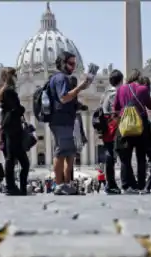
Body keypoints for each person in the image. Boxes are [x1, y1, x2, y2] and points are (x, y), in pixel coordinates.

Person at [49, 52, 92, 195]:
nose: (73, 67)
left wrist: (79, 106)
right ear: (62, 63)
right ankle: (59, 185)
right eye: (71, 64)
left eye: (75, 64)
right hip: (60, 121)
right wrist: (81, 87)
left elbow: (68, 100)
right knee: (61, 152)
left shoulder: (64, 78)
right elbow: (64, 98)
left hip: (66, 120)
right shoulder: (60, 78)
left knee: (69, 153)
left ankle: (68, 184)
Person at [113, 69, 151, 193]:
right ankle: (141, 185)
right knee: (141, 156)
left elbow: (115, 107)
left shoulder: (121, 89)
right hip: (140, 126)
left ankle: (126, 185)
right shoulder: (143, 89)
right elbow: (150, 106)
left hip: (125, 126)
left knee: (126, 157)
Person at [0, 67, 30, 196]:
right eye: (14, 75)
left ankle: (20, 188)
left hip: (10, 128)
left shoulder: (4, 91)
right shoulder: (9, 91)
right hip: (13, 128)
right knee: (12, 159)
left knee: (20, 161)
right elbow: (15, 109)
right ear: (10, 76)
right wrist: (21, 109)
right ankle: (11, 186)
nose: (17, 77)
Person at [100, 69, 124, 194]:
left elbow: (103, 110)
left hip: (107, 127)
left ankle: (110, 183)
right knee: (123, 155)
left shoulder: (105, 93)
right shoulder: (120, 92)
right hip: (118, 126)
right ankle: (123, 183)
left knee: (109, 154)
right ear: (121, 80)